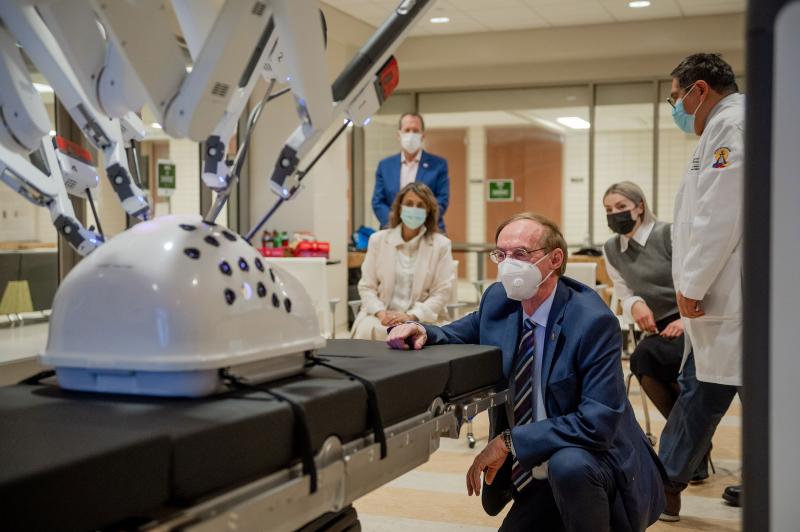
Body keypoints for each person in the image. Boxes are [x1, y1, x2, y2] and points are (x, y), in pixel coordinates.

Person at [387, 213, 666, 532]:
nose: (508, 264)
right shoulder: (499, 300)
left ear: (555, 259)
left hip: (596, 468)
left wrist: (508, 441)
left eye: (520, 254)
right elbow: (470, 327)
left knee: (568, 463)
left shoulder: (592, 321)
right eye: (501, 254)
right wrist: (421, 329)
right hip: (538, 472)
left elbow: (597, 423)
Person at [658, 53, 745, 520]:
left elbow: (720, 217)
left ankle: (664, 485)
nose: (675, 109)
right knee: (702, 390)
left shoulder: (732, 127)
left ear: (699, 90)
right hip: (723, 299)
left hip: (730, 296)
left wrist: (692, 284)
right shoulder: (717, 131)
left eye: (676, 98)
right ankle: (664, 485)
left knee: (703, 392)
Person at [602, 181, 709, 482]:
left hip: (693, 316)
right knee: (643, 360)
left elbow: (694, 276)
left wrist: (686, 320)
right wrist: (635, 304)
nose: (615, 214)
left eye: (621, 207)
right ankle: (694, 448)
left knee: (668, 361)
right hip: (658, 323)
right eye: (609, 210)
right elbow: (624, 289)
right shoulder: (612, 248)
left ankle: (689, 449)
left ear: (639, 206)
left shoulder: (668, 234)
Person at [351, 182, 454, 341]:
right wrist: (380, 312)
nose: (414, 209)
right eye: (409, 204)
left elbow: (441, 293)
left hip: (422, 319)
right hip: (381, 318)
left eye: (420, 205)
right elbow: (367, 287)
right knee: (366, 331)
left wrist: (410, 315)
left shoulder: (441, 245)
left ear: (428, 211)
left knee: (418, 338)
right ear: (399, 208)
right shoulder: (378, 240)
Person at [372, 113, 450, 232]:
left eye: (415, 130)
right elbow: (378, 201)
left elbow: (442, 200)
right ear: (399, 135)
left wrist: (420, 222)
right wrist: (395, 223)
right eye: (407, 130)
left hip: (429, 231)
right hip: (392, 230)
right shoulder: (385, 165)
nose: (411, 134)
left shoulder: (438, 165)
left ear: (423, 135)